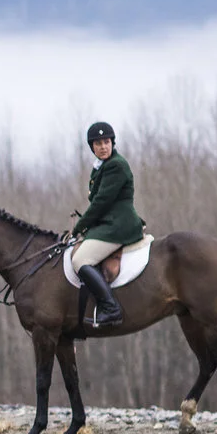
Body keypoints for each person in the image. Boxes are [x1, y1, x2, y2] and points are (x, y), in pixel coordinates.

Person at [69, 121, 144, 329]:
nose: (103, 147)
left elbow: (101, 203)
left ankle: (111, 309)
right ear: (92, 147)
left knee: (80, 260)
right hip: (108, 223)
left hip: (118, 226)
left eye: (106, 142)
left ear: (112, 143)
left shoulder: (116, 165)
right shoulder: (101, 166)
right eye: (98, 143)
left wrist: (79, 227)